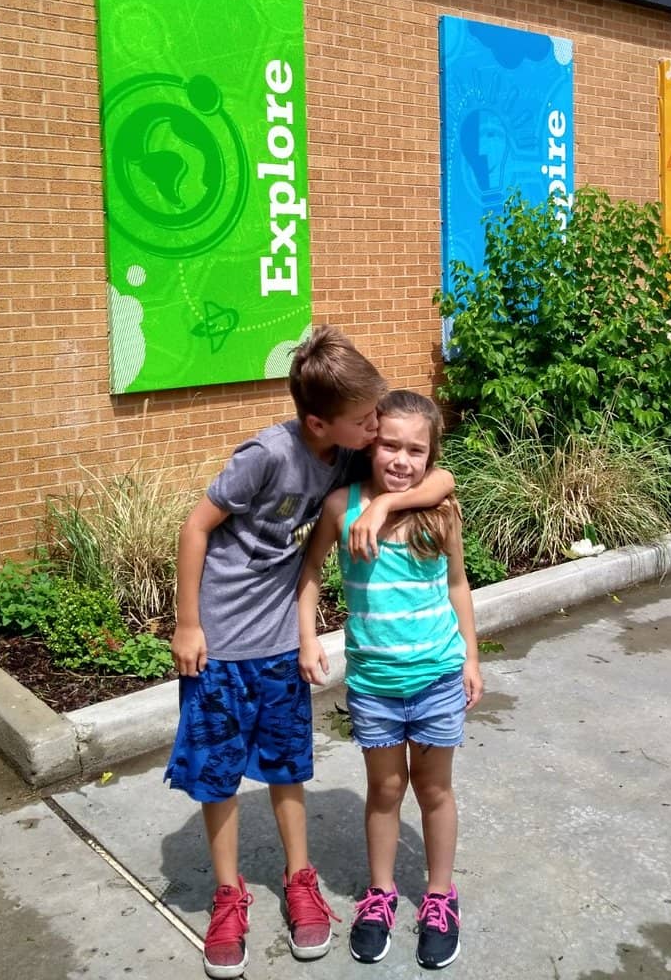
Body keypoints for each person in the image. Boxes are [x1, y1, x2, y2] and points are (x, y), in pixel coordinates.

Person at [165, 328, 457, 980]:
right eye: (368, 421)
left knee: (286, 766)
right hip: (218, 646)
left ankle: (301, 879)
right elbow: (196, 526)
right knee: (218, 777)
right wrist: (188, 623)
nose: (378, 430)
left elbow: (441, 474)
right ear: (323, 421)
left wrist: (386, 505)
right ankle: (227, 894)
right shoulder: (267, 455)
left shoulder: (349, 455)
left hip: (275, 647)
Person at [298, 389, 483, 970]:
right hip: (375, 684)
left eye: (415, 450)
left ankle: (439, 895)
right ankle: (379, 896)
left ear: (430, 456)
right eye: (389, 446)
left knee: (433, 790)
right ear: (369, 444)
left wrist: (471, 658)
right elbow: (308, 576)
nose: (401, 460)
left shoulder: (439, 509)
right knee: (383, 791)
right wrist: (308, 638)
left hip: (436, 678)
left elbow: (458, 586)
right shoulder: (340, 508)